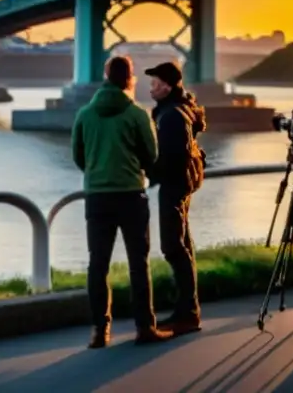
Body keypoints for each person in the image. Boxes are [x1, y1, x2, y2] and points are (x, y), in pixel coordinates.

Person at [70, 55, 172, 348]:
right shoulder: (137, 114)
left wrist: (97, 173)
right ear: (130, 79)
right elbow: (151, 155)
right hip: (131, 195)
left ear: (105, 76)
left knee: (97, 265)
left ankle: (100, 331)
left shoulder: (84, 115)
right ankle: (144, 328)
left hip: (97, 197)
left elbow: (78, 155)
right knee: (138, 264)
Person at [145, 60, 207, 335]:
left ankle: (187, 314)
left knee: (173, 246)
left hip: (173, 184)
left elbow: (172, 157)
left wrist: (148, 173)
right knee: (183, 245)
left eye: (155, 84)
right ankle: (188, 310)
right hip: (183, 184)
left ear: (168, 86)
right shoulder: (181, 109)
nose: (151, 89)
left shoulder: (171, 116)